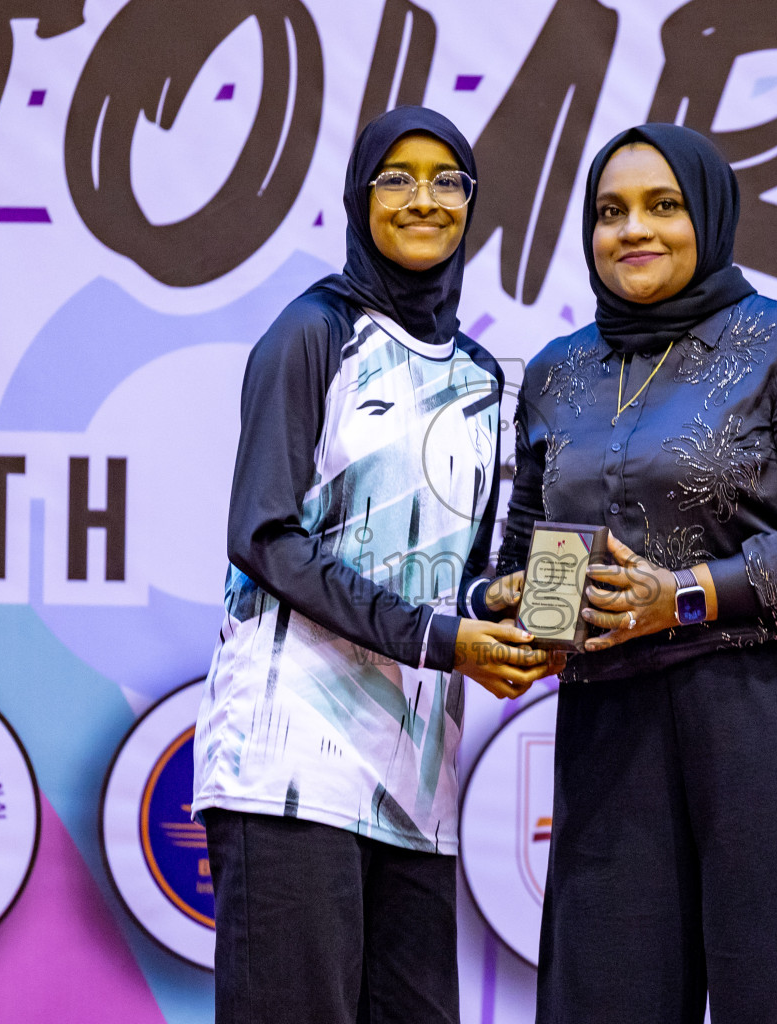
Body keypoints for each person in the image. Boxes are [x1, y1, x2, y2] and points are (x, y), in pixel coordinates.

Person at [495, 123, 777, 1022]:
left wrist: (685, 594)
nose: (633, 230)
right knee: (606, 996)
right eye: (610, 212)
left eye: (662, 206)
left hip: (772, 709)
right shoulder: (559, 373)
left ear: (708, 218)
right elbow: (521, 544)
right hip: (612, 722)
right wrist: (513, 602)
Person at [191, 106, 553, 1024]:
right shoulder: (312, 331)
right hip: (288, 766)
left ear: (472, 202)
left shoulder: (481, 376)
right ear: (360, 199)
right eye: (398, 178)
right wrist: (440, 634)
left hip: (416, 782)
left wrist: (498, 606)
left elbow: (449, 579)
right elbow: (265, 537)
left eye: (447, 180)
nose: (424, 199)